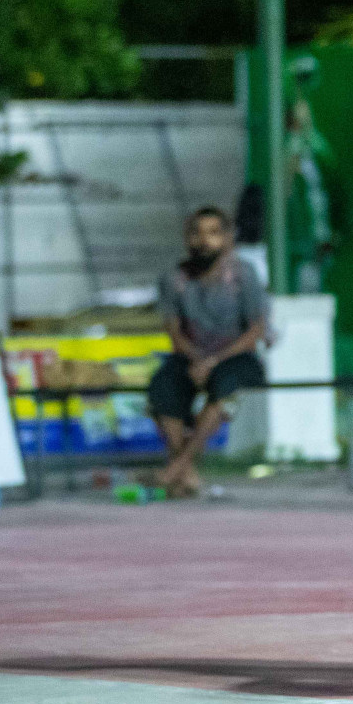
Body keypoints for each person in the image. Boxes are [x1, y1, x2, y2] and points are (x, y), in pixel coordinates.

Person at [147, 207, 269, 497]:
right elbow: (174, 331)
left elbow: (256, 330)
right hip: (190, 357)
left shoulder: (244, 275)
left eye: (213, 233)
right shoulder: (173, 278)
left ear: (227, 238)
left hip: (234, 357)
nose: (204, 240)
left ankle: (177, 468)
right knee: (163, 387)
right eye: (196, 233)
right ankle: (185, 473)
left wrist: (213, 361)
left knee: (226, 387)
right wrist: (196, 360)